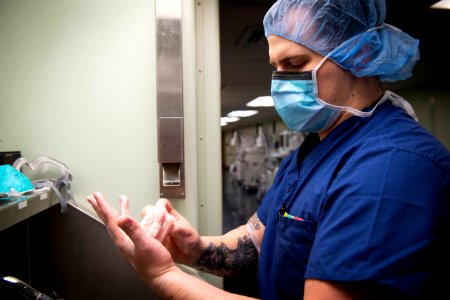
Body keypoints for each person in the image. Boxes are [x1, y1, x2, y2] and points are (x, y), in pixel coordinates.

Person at [86, 0, 450, 299]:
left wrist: (164, 275)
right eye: (276, 67)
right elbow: (260, 240)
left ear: (361, 55)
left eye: (295, 64)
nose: (281, 81)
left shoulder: (389, 168)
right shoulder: (313, 149)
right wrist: (192, 248)